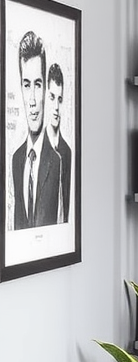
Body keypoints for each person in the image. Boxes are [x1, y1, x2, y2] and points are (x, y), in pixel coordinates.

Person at [10, 31, 61, 229]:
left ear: (45, 90)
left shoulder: (57, 161)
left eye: (38, 85)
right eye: (26, 85)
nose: (31, 100)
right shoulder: (16, 160)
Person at [46, 61, 72, 224]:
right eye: (52, 97)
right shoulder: (38, 151)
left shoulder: (67, 152)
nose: (56, 106)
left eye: (60, 99)